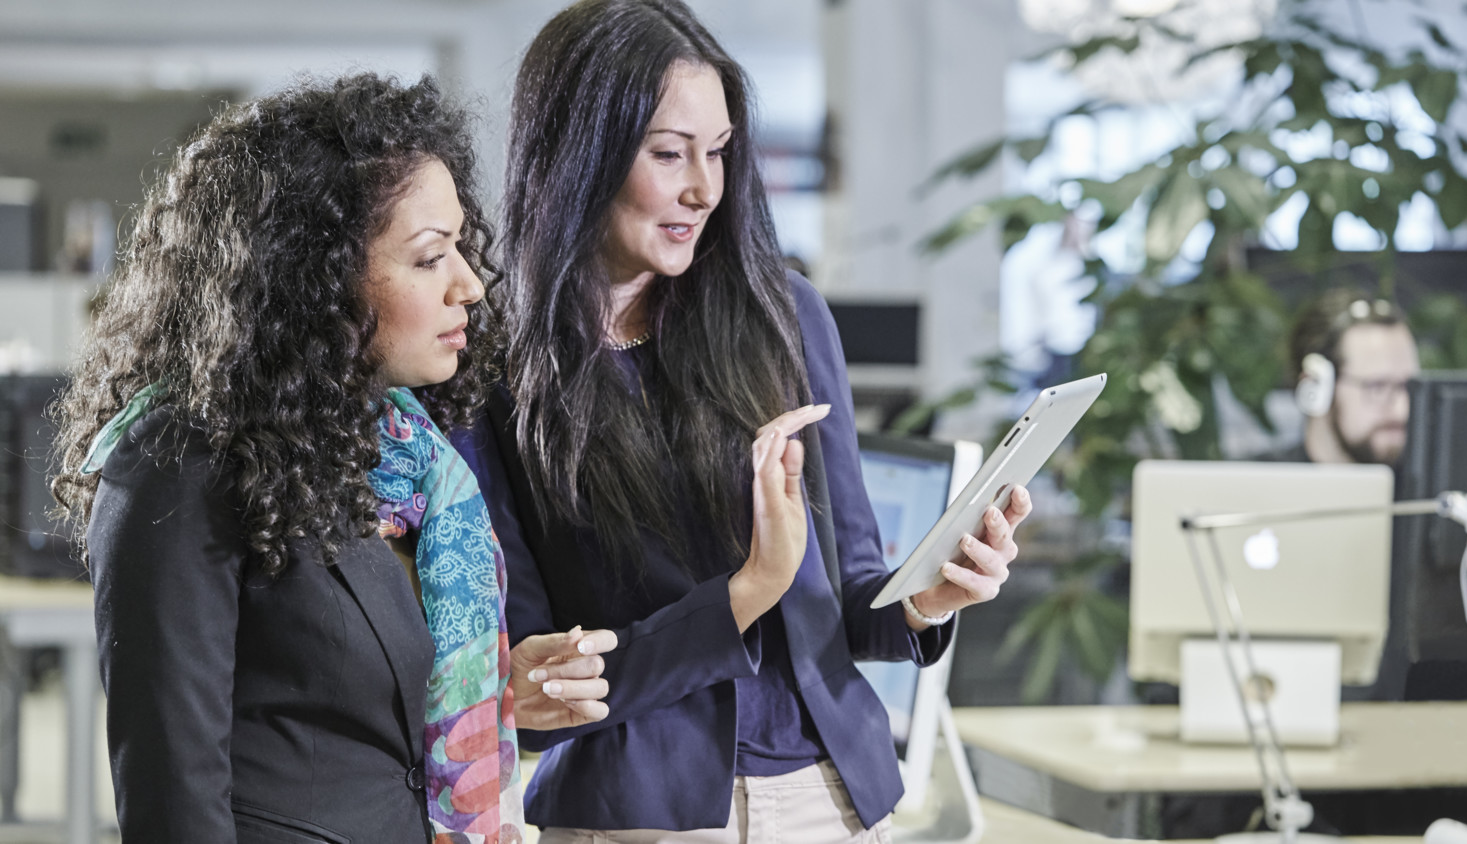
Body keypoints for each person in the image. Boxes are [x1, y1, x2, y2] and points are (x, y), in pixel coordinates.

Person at [454, 1, 1032, 840]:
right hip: (641, 817)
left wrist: (926, 600)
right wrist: (745, 592)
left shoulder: (784, 316)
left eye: (719, 151)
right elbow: (542, 698)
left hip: (828, 800)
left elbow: (854, 599)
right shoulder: (498, 373)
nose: (703, 188)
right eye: (668, 153)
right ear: (580, 155)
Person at [49, 73, 616, 844]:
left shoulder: (403, 456)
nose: (470, 286)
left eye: (461, 247)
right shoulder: (179, 459)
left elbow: (370, 711)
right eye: (428, 258)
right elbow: (174, 800)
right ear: (315, 278)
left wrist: (504, 687)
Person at [1282, 289, 1420, 466]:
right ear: (1315, 387)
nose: (1402, 409)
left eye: (1407, 386)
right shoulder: (1252, 487)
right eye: (1377, 387)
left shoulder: (1437, 487)